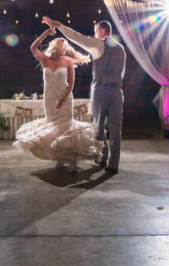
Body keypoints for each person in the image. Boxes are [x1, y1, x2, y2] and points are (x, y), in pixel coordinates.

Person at [42, 16, 127, 173]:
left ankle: (102, 158)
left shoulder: (99, 43)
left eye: (95, 32)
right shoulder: (121, 48)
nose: (94, 35)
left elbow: (77, 37)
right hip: (117, 91)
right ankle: (114, 164)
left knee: (99, 126)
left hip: (101, 90)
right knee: (116, 128)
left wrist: (59, 25)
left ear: (102, 31)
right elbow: (121, 73)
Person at [13, 27, 101, 170]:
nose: (64, 50)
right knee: (53, 128)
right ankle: (59, 157)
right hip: (49, 98)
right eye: (62, 47)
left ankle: (72, 161)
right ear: (56, 47)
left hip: (64, 97)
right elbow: (33, 47)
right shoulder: (45, 60)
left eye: (66, 48)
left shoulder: (67, 61)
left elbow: (71, 83)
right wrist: (46, 32)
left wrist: (63, 98)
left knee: (67, 127)